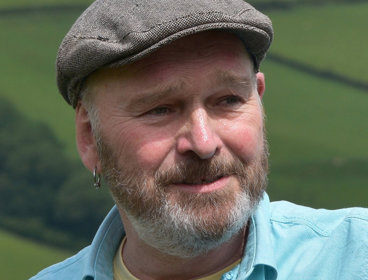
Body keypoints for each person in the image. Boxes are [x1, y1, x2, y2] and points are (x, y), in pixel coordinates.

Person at [31, 0, 368, 279]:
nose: (204, 144)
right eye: (160, 109)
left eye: (229, 100)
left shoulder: (356, 256)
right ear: (90, 137)